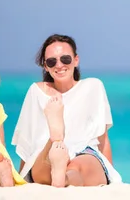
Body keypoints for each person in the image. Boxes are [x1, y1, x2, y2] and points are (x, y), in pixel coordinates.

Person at [12, 34, 122, 187]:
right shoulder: (36, 91)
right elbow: (28, 142)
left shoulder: (93, 86)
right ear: (45, 66)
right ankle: (57, 147)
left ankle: (59, 166)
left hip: (84, 151)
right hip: (48, 153)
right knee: (66, 167)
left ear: (76, 60)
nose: (59, 65)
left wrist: (21, 179)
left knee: (74, 165)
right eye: (51, 61)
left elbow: (102, 138)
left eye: (65, 59)